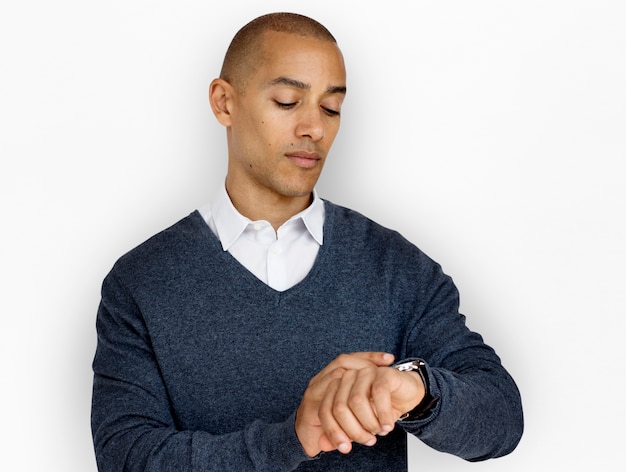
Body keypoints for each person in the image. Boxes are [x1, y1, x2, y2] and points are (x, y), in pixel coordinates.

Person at [91, 12, 523, 471]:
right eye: (287, 101)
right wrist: (292, 438)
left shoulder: (399, 269)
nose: (314, 128)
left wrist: (416, 391)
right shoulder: (142, 282)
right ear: (224, 103)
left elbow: (500, 418)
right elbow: (127, 458)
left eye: (331, 108)